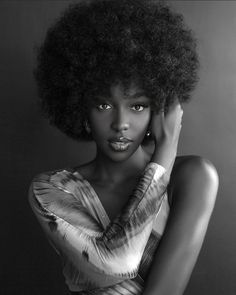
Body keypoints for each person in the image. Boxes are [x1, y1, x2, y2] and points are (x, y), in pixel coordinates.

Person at [28, 0, 219, 294]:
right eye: (103, 104)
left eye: (138, 105)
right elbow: (115, 264)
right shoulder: (51, 190)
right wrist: (165, 150)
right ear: (82, 111)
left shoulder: (193, 177)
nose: (121, 123)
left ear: (159, 108)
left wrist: (165, 154)